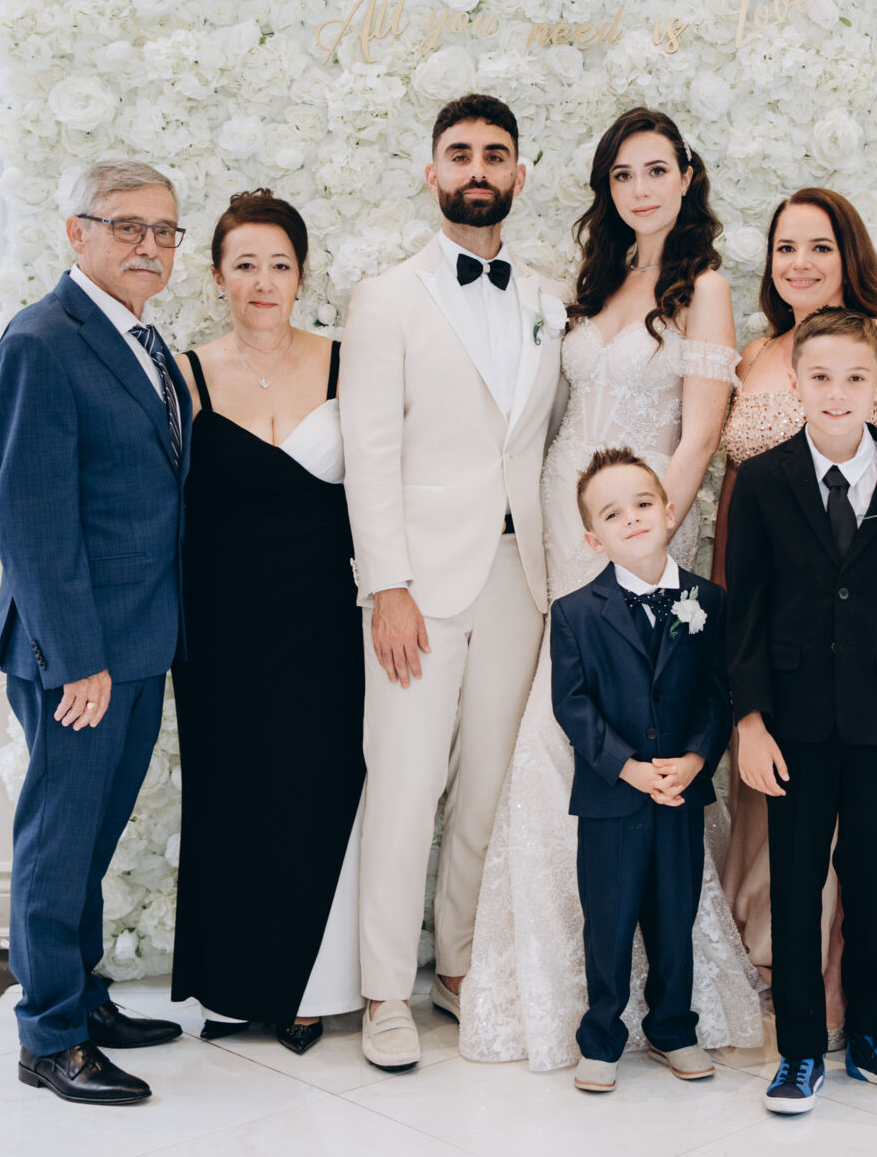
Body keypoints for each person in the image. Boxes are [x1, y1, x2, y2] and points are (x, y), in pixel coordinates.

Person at [458, 107, 759, 1070]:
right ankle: (550, 972)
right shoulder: (599, 281)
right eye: (622, 175)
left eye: (655, 170)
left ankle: (662, 998)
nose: (639, 189)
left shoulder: (703, 288)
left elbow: (701, 431)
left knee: (643, 710)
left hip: (642, 523)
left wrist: (647, 535)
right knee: (565, 713)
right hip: (564, 520)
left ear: (686, 177)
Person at [713, 188, 877, 1071]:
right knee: (794, 887)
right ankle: (798, 1047)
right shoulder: (762, 481)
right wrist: (749, 717)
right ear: (795, 386)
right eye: (821, 380)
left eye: (854, 380)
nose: (837, 393)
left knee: (876, 884)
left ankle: (873, 1036)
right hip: (791, 714)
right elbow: (745, 601)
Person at [339, 94, 564, 1073]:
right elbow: (368, 449)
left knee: (487, 789)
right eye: (461, 153)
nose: (479, 168)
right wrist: (385, 584)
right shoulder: (385, 298)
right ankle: (384, 990)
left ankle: (458, 965)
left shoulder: (548, 299)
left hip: (522, 576)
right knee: (404, 784)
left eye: (495, 154)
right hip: (418, 584)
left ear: (519, 174)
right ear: (431, 172)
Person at [0, 160, 190, 1104]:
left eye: (164, 230)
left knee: (93, 839)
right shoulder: (42, 339)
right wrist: (76, 659)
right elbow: (28, 518)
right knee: (57, 844)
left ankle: (84, 995)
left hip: (138, 641)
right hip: (78, 654)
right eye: (126, 226)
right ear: (77, 233)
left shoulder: (140, 336)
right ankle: (50, 1036)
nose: (149, 245)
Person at [167, 190, 363, 1055]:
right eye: (244, 264)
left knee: (316, 791)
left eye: (278, 264)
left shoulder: (346, 364)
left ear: (301, 276)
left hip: (326, 621)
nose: (262, 281)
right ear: (217, 277)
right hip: (218, 627)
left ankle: (307, 989)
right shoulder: (185, 374)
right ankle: (233, 983)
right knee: (231, 796)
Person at [553, 449, 733, 1094]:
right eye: (612, 513)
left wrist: (696, 758)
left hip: (679, 794)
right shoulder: (575, 612)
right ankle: (601, 1037)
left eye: (643, 503)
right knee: (608, 919)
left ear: (670, 510)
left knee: (673, 915)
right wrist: (625, 767)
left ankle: (672, 1028)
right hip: (612, 799)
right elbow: (572, 705)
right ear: (592, 537)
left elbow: (718, 694)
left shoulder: (707, 600)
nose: (631, 518)